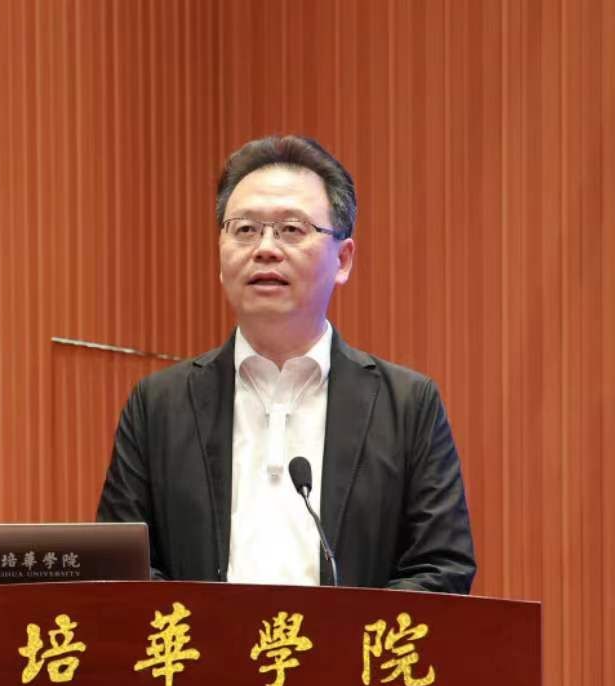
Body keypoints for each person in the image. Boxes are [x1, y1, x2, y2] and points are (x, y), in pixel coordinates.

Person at [96, 135, 475, 594]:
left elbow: (441, 569)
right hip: (199, 644)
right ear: (220, 255)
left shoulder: (408, 406)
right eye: (245, 229)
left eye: (292, 230)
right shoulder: (158, 406)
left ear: (343, 260)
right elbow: (123, 567)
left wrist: (339, 638)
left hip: (348, 645)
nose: (266, 248)